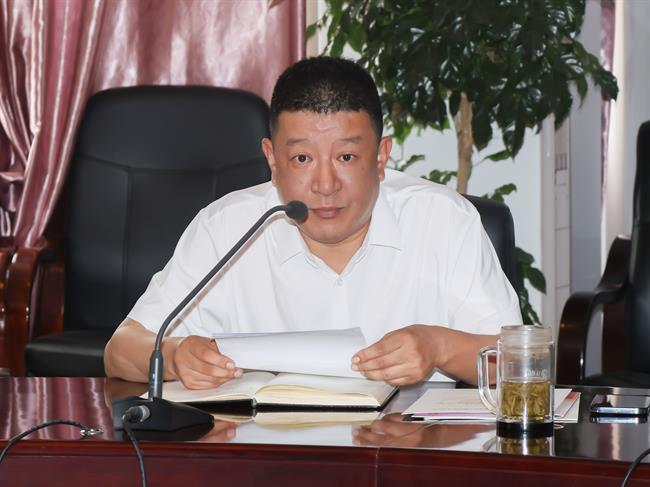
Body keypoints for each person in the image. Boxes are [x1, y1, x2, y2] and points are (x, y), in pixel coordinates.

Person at [104, 56, 521, 389]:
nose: (324, 185)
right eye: (302, 158)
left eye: (346, 157)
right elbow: (120, 350)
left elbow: (519, 364)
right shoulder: (226, 228)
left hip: (405, 452)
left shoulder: (443, 221)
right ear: (272, 159)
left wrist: (439, 347)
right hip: (267, 453)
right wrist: (174, 356)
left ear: (381, 158)